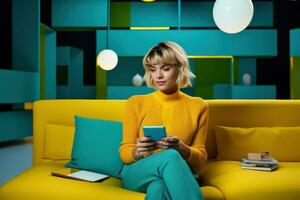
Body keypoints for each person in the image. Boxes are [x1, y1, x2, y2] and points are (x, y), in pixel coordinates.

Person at [119, 41, 209, 200]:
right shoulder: (135, 102)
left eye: (166, 69)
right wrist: (138, 151)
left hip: (178, 175)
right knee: (170, 156)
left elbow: (200, 159)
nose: (158, 75)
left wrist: (182, 148)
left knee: (158, 189)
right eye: (153, 70)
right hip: (139, 172)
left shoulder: (198, 106)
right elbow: (125, 153)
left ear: (180, 68)